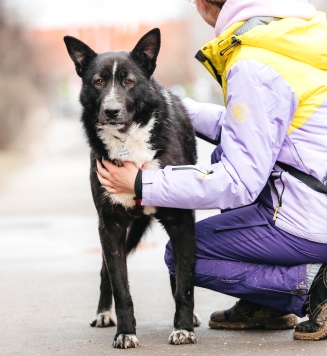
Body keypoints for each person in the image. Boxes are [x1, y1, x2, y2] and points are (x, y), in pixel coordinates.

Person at [96, 0, 327, 341]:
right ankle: (266, 303)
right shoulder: (294, 38)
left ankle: (312, 284)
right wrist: (167, 104)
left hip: (310, 218)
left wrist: (144, 182)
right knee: (224, 150)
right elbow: (255, 131)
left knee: (184, 255)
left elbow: (238, 181)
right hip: (315, 199)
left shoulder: (253, 63)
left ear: (203, 5)